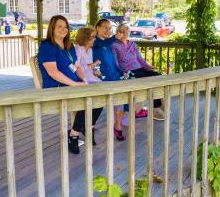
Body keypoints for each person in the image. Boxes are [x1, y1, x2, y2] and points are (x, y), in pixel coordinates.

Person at [38, 15, 102, 154]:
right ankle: (73, 135)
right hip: (56, 87)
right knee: (87, 99)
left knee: (100, 97)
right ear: (52, 28)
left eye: (65, 26)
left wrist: (84, 80)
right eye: (59, 26)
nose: (63, 29)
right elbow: (53, 72)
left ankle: (84, 126)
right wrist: (74, 84)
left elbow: (77, 66)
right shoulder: (47, 46)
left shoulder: (68, 46)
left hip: (71, 84)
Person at [112, 23, 164, 120]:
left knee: (157, 76)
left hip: (139, 68)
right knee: (146, 81)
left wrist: (148, 66)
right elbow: (115, 62)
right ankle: (152, 109)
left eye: (127, 31)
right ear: (118, 32)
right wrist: (120, 72)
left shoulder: (132, 44)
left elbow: (140, 58)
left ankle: (156, 106)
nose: (125, 33)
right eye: (122, 31)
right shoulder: (114, 45)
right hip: (128, 71)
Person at [93, 19, 129, 140]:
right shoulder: (94, 42)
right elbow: (102, 45)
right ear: (97, 27)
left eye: (109, 28)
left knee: (128, 89)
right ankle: (117, 123)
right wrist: (114, 37)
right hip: (101, 78)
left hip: (114, 75)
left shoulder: (109, 44)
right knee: (118, 96)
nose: (108, 30)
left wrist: (121, 72)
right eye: (105, 28)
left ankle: (118, 124)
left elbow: (113, 62)